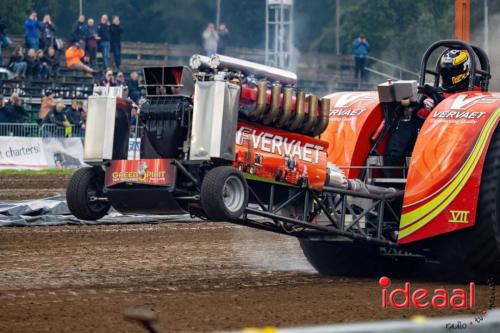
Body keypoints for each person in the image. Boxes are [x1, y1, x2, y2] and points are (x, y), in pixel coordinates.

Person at [383, 48, 472, 172]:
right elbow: (414, 105)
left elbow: (464, 114)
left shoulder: (473, 94)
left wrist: (438, 101)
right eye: (445, 71)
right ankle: (390, 172)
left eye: (451, 71)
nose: (447, 74)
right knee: (404, 120)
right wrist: (418, 101)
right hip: (423, 130)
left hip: (452, 134)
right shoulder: (436, 90)